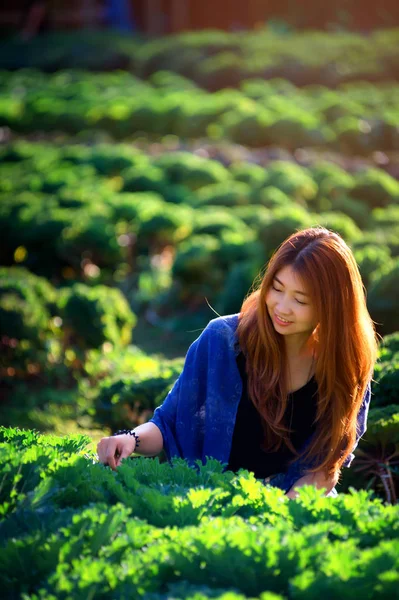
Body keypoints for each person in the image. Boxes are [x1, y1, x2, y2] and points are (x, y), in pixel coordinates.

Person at [97, 226, 378, 499]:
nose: (281, 307)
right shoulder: (223, 341)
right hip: (206, 497)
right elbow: (168, 424)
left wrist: (276, 512)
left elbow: (326, 467)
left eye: (300, 300)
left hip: (294, 507)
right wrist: (129, 440)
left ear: (332, 306)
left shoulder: (347, 364)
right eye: (277, 289)